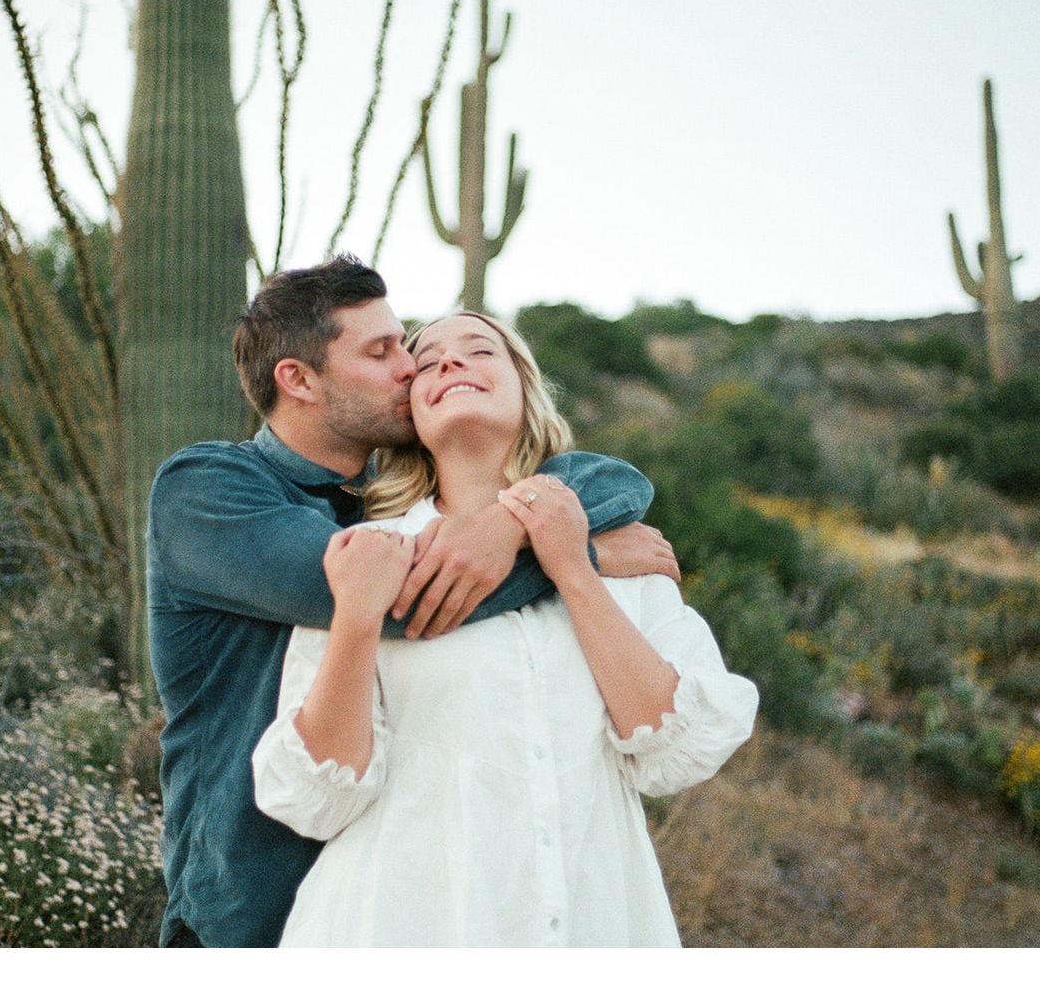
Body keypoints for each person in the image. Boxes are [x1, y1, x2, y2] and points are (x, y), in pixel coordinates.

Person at [146, 255, 679, 948]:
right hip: (251, 910)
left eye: (405, 344)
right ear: (298, 379)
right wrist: (581, 558)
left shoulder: (384, 507)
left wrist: (512, 522)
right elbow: (404, 603)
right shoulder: (210, 491)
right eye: (382, 351)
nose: (411, 367)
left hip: (403, 904)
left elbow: (608, 479)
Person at [251, 309, 759, 946]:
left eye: (478, 350)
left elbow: (671, 752)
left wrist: (574, 566)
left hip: (590, 919)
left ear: (527, 390)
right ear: (410, 411)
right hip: (399, 926)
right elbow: (316, 797)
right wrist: (354, 618)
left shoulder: (618, 552)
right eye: (428, 361)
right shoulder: (367, 559)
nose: (451, 364)